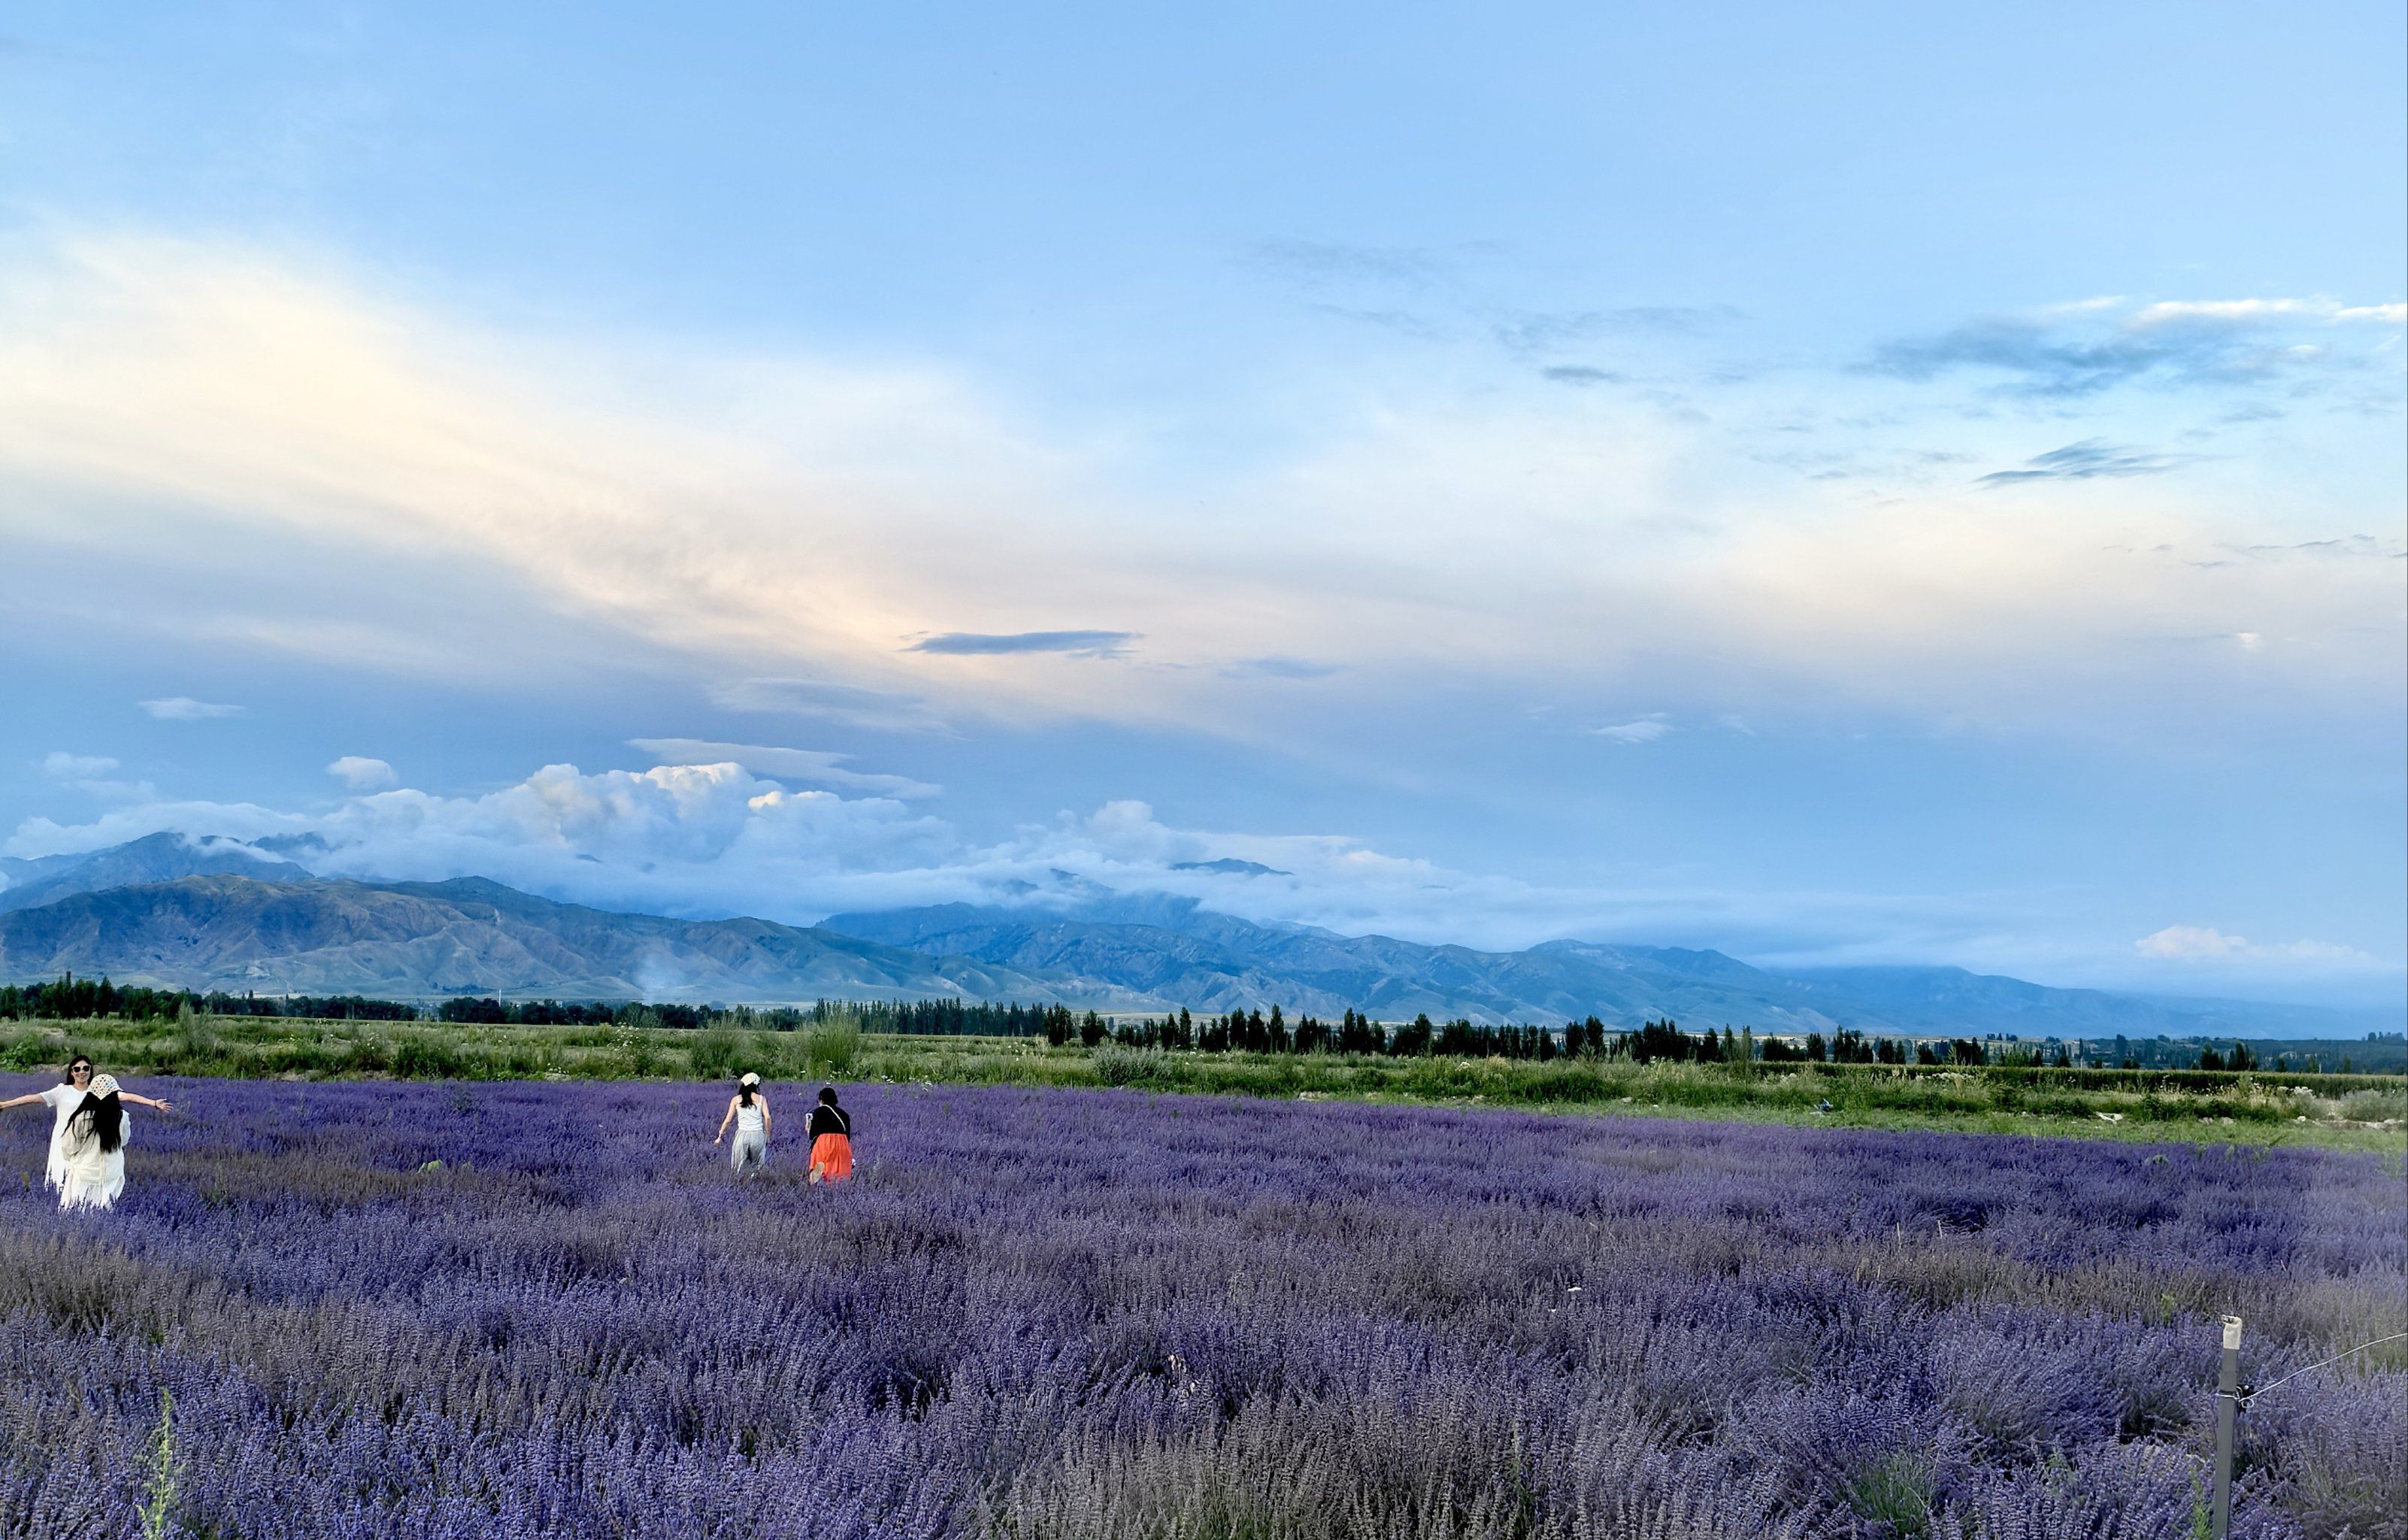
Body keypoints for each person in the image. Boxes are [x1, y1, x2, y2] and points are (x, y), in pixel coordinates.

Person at [2, 1056, 174, 1195]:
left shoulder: (99, 1090)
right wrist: (6, 1104)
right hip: (64, 1140)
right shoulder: (62, 1090)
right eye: (77, 1069)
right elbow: (34, 1098)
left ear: (91, 1071)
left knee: (82, 1180)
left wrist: (153, 1103)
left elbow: (126, 1096)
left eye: (86, 1068)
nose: (82, 1072)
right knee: (61, 1176)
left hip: (88, 1143)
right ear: (71, 1072)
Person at [713, 1072, 771, 1173]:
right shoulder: (762, 1099)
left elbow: (728, 1120)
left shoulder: (736, 1100)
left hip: (742, 1135)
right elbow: (767, 1118)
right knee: (758, 1168)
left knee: (739, 1167)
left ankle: (741, 1185)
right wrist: (767, 1134)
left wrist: (720, 1135)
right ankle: (757, 1185)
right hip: (757, 1134)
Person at [806, 1085, 853, 1185]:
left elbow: (812, 1135)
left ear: (821, 1100)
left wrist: (808, 1127)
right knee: (840, 1176)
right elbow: (848, 1136)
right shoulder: (844, 1114)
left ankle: (815, 1193)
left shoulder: (819, 1112)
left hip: (825, 1144)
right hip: (843, 1145)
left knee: (819, 1172)